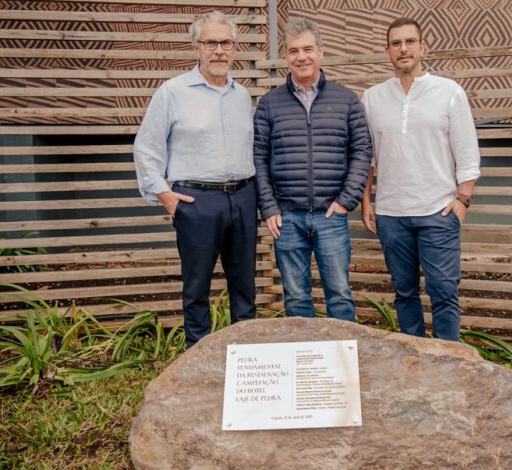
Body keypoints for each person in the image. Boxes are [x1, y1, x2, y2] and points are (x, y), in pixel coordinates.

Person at [133, 12, 256, 348]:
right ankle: (196, 360)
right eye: (211, 42)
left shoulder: (241, 95)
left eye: (226, 43)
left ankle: (246, 362)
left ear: (234, 48)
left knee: (244, 286)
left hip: (244, 197)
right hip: (197, 201)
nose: (219, 50)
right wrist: (163, 193)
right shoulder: (172, 92)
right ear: (196, 47)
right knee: (197, 287)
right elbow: (147, 147)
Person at [361, 17, 481, 341]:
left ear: (422, 46)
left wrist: (463, 201)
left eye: (410, 42)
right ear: (387, 50)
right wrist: (366, 200)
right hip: (391, 214)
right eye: (396, 43)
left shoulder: (448, 92)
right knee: (404, 292)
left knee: (443, 292)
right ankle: (415, 360)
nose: (403, 49)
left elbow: (467, 153)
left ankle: (449, 362)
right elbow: (367, 156)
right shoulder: (372, 98)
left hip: (438, 211)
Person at [253, 18, 372, 321]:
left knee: (340, 294)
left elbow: (361, 151)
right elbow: (259, 157)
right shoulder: (269, 104)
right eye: (293, 51)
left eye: (308, 49)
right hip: (287, 217)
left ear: (321, 51)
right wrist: (268, 206)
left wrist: (347, 200)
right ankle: (303, 364)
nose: (301, 57)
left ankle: (342, 365)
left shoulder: (346, 100)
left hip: (331, 215)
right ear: (286, 57)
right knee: (295, 298)